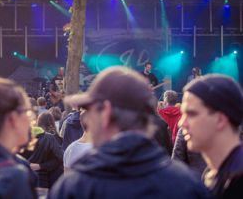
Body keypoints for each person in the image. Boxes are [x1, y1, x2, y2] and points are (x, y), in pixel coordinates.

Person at [49, 66, 210, 199]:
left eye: (91, 110)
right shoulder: (188, 185)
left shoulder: (75, 187)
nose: (87, 119)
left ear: (106, 113)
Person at [180, 74, 243, 198]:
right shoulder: (212, 173)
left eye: (191, 114)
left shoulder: (237, 179)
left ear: (220, 120)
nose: (182, 123)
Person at [25, 112, 63, 188]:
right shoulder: (53, 138)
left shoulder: (28, 137)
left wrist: (40, 166)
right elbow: (60, 158)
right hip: (48, 180)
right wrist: (41, 166)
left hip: (30, 177)